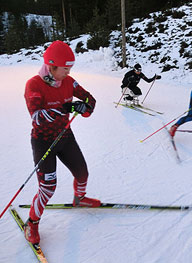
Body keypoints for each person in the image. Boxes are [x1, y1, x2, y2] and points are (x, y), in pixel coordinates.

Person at [23, 40, 100, 245]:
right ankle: (32, 222)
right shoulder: (34, 84)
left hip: (65, 137)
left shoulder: (69, 81)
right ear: (52, 66)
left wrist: (84, 107)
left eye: (70, 68)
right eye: (65, 68)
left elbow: (90, 100)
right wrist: (66, 108)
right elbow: (37, 117)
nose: (68, 72)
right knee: (48, 187)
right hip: (43, 141)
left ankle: (79, 198)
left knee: (82, 172)